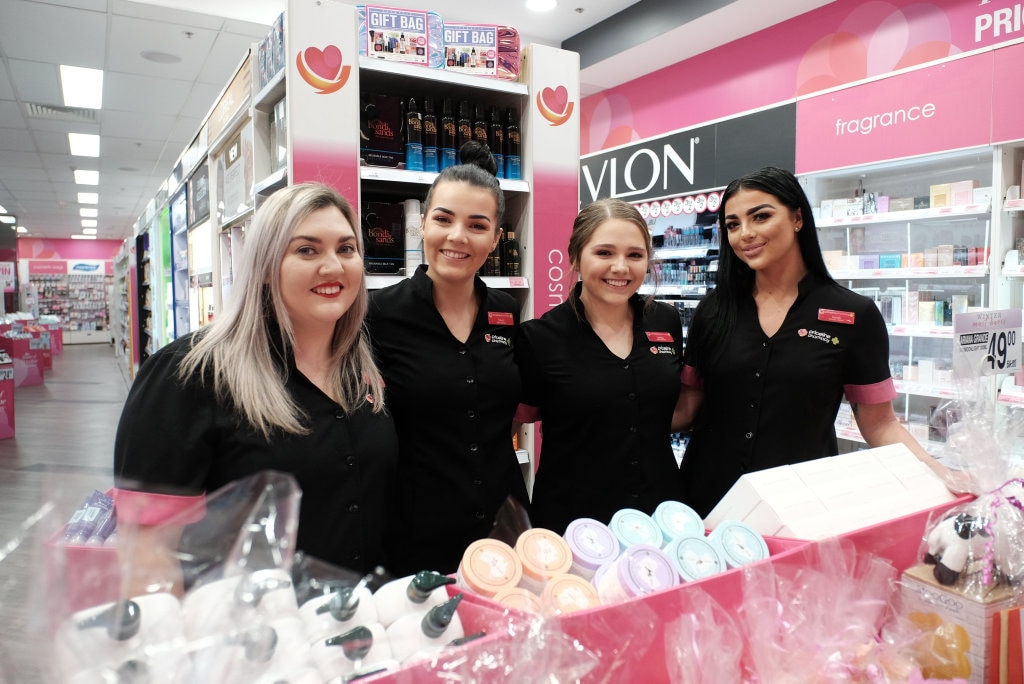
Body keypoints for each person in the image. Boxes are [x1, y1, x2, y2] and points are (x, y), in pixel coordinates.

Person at [113, 183, 398, 594]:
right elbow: (147, 556)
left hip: (358, 627)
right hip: (253, 642)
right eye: (307, 250)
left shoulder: (363, 369)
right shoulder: (188, 376)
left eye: (346, 248)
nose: (333, 266)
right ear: (265, 267)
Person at [674, 166, 959, 518]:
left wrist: (936, 470)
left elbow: (880, 423)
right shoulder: (713, 311)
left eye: (760, 216)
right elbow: (688, 405)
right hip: (706, 500)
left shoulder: (854, 314)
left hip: (798, 506)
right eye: (733, 224)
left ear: (797, 218)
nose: (745, 234)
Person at [367, 141, 528, 576]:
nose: (457, 237)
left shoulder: (506, 312)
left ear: (496, 238)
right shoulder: (378, 314)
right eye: (443, 219)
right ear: (422, 224)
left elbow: (509, 411)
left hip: (504, 524)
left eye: (477, 226)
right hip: (417, 528)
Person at [515, 198, 684, 535]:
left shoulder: (666, 321)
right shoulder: (540, 338)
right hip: (575, 525)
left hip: (660, 518)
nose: (620, 267)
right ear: (576, 257)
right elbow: (521, 418)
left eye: (635, 255)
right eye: (604, 253)